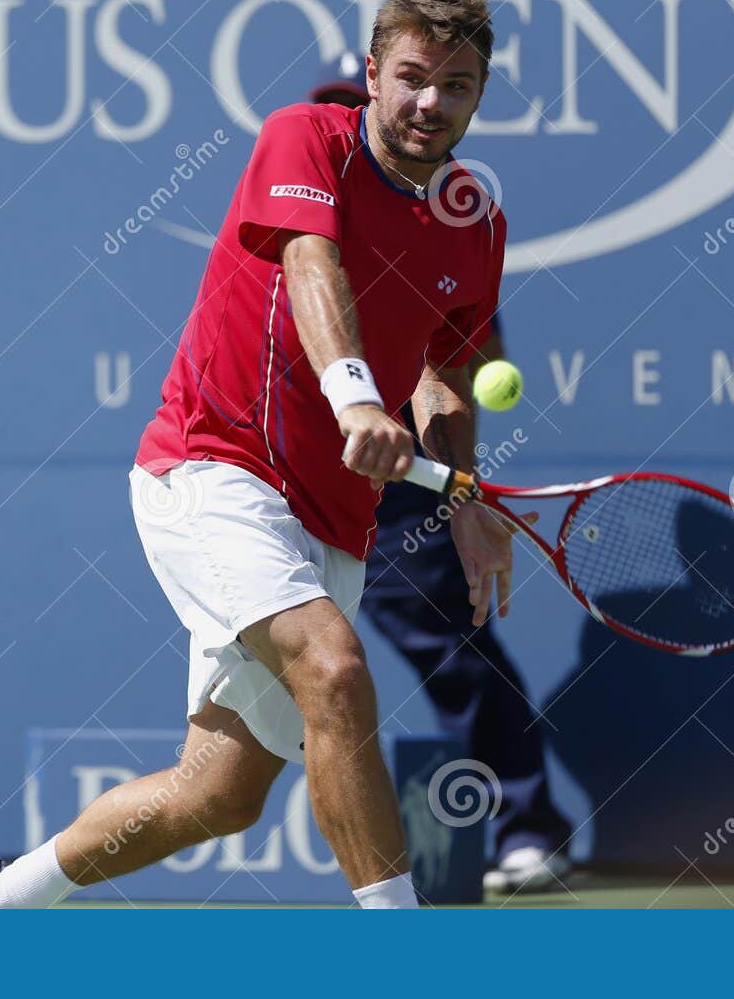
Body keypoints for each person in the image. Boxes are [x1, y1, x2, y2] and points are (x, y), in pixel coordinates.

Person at [0, 0, 513, 909]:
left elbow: (446, 373)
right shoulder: (305, 137)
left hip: (331, 522)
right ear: (372, 74)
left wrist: (466, 496)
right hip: (211, 469)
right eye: (410, 77)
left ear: (481, 96)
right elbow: (309, 259)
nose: (429, 103)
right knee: (336, 668)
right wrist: (358, 397)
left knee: (220, 795)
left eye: (457, 86)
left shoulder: (473, 220)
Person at [310, 68, 575, 894]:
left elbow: (454, 373)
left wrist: (455, 488)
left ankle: (527, 822)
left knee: (451, 649)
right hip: (279, 473)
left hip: (398, 487)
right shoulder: (302, 218)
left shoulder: (444, 227)